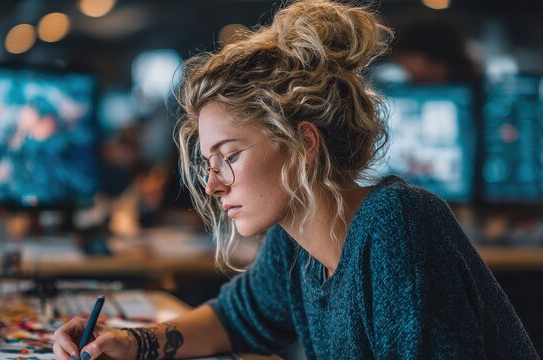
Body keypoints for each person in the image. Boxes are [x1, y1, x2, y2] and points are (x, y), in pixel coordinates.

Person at [53, 1, 538, 359]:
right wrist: (131, 343)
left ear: (304, 143)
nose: (212, 185)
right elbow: (234, 318)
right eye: (208, 163)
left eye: (230, 156)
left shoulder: (397, 225)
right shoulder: (297, 243)